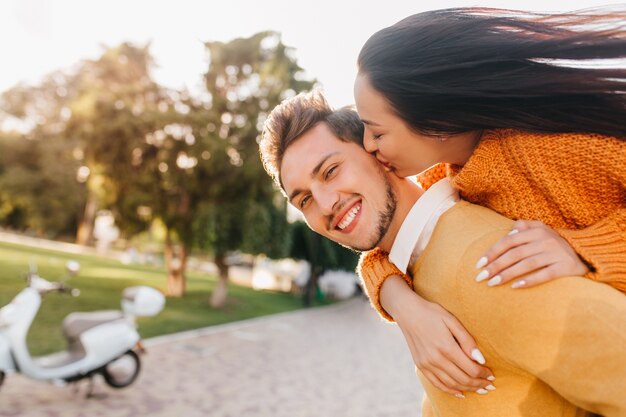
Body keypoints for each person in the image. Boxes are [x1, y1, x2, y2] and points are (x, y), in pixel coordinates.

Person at [258, 90, 626, 416]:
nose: (324, 204)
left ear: (378, 153)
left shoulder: (487, 263)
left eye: (331, 171)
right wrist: (397, 298)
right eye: (304, 199)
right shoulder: (418, 267)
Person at [353, 6, 626, 397]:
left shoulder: (559, 145)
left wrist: (586, 248)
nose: (368, 145)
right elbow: (385, 245)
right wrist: (404, 306)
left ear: (436, 120)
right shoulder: (451, 175)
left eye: (377, 132)